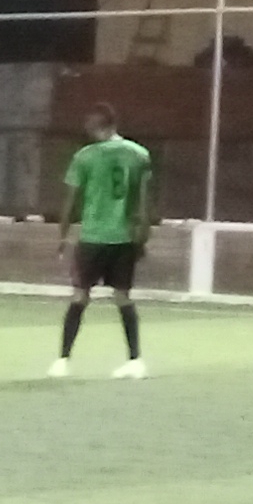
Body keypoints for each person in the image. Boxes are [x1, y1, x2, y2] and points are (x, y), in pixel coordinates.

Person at [51, 103, 157, 379]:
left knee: (80, 296)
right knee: (122, 297)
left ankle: (63, 360)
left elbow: (71, 200)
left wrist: (63, 234)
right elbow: (144, 201)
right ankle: (135, 360)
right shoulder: (139, 154)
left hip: (93, 237)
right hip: (124, 237)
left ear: (94, 125)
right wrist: (143, 235)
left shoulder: (85, 157)